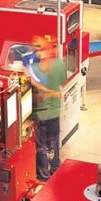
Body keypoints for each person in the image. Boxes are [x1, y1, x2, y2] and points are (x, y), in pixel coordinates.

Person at [29, 43, 68, 181]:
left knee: (41, 145)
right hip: (54, 112)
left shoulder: (34, 69)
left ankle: (44, 175)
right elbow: (63, 83)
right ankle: (55, 167)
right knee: (53, 142)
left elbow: (33, 92)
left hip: (40, 114)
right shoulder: (58, 65)